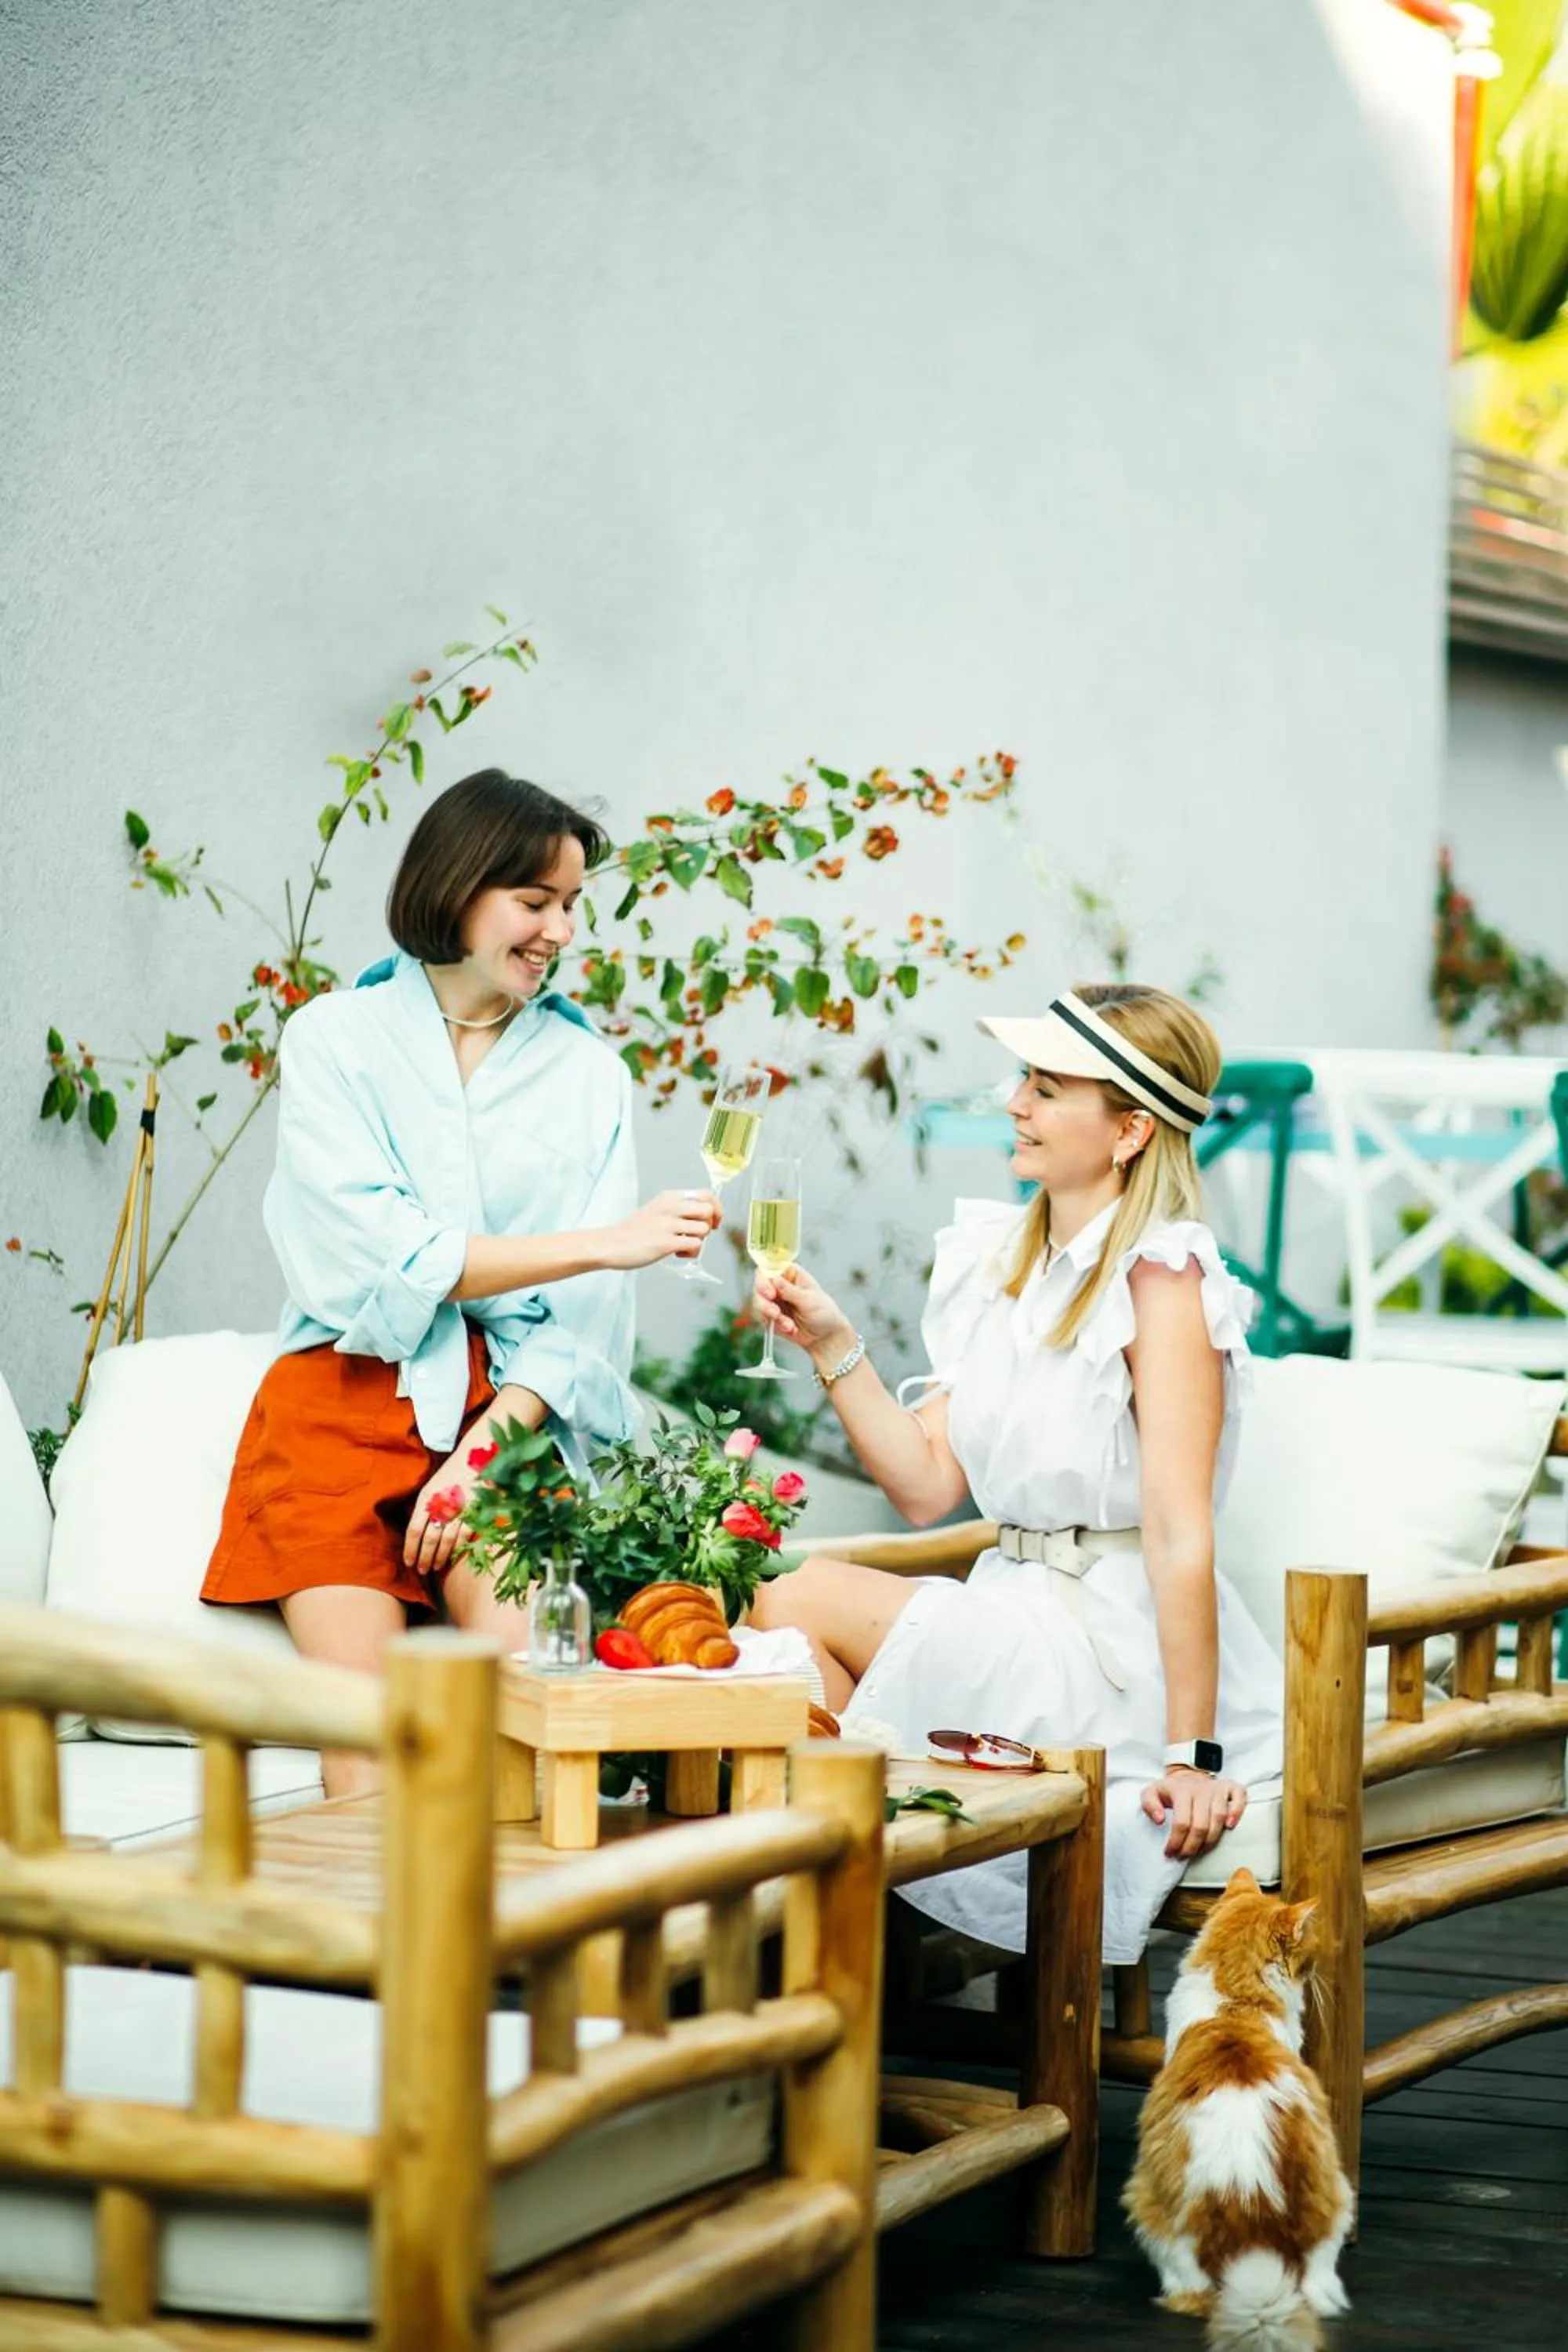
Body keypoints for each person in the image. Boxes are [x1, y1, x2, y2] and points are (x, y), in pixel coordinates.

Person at [204, 768, 719, 1790]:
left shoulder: (589, 1077)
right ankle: (374, 1953)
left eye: (572, 905)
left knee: (516, 1728)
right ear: (458, 888)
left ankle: (506, 1950)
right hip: (339, 1396)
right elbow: (379, 1260)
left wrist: (488, 1448)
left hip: (510, 1419)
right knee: (364, 1743)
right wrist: (605, 1240)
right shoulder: (334, 1041)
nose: (562, 930)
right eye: (536, 902)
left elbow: (584, 1322)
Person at [748, 982, 1283, 1963]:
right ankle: (839, 1966)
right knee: (792, 1671)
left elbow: (1176, 1530)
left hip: (1108, 1648)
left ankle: (832, 1970)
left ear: (1127, 1131)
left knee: (784, 1591)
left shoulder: (1163, 1279)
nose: (1014, 1103)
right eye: (1022, 1081)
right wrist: (833, 1343)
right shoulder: (1000, 1261)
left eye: (1045, 1087)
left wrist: (1189, 1754)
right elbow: (923, 1484)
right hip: (1014, 1607)